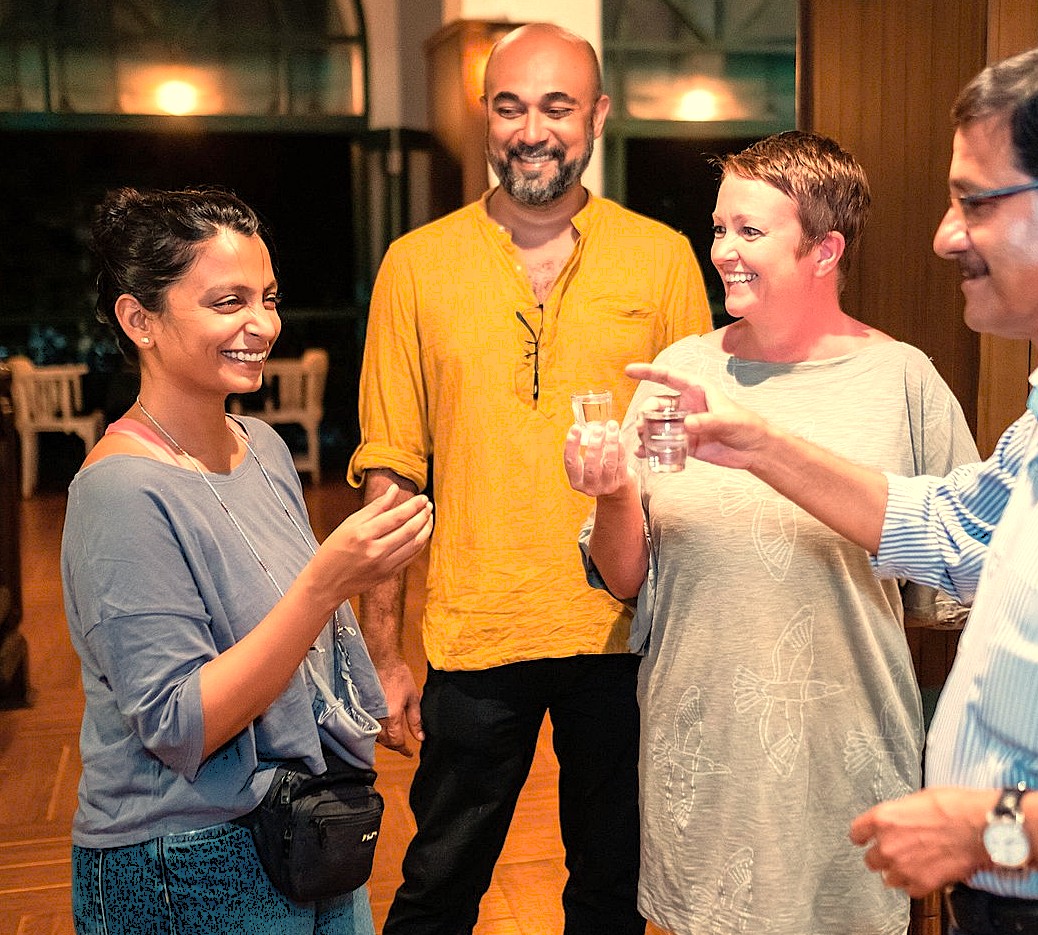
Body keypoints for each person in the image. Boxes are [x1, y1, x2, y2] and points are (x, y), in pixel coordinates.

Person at [627, 34, 1038, 934]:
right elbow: (959, 531)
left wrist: (992, 827)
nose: (945, 235)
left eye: (976, 201)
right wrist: (761, 445)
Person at [563, 130, 979, 935]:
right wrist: (615, 494)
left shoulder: (903, 381)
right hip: (705, 768)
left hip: (848, 772)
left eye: (750, 231)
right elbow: (624, 580)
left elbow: (962, 579)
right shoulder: (679, 374)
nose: (722, 251)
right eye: (719, 228)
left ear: (825, 250)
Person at [347, 22, 712, 935]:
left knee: (612, 893)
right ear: (485, 115)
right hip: (474, 633)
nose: (532, 128)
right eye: (511, 106)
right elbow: (390, 469)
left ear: (597, 116)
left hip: (626, 638)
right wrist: (383, 654)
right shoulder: (416, 264)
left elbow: (687, 468)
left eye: (557, 105)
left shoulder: (662, 258)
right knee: (436, 887)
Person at [64, 187, 433, 934]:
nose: (262, 324)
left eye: (268, 297)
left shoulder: (262, 447)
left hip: (305, 823)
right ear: (140, 320)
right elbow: (183, 723)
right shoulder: (119, 492)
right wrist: (329, 581)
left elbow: (295, 647)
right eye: (228, 301)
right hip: (183, 855)